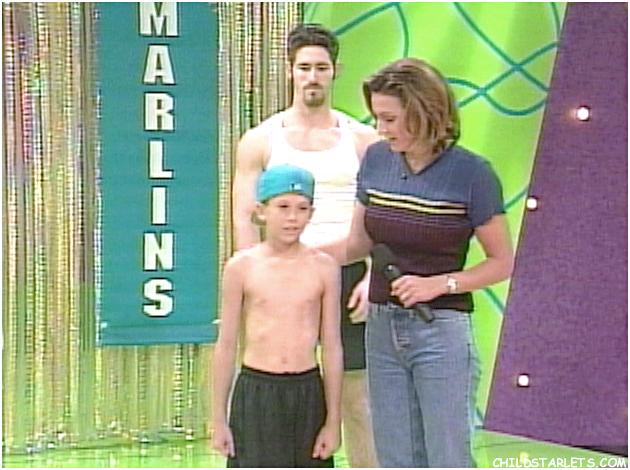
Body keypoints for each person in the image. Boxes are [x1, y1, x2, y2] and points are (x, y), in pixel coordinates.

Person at [321, 58, 515, 467]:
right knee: (394, 456)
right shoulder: (377, 160)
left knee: (446, 455)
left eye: (390, 118)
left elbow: (502, 262)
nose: (381, 128)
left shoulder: (472, 175)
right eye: (377, 117)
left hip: (439, 330)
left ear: (423, 112)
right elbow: (358, 243)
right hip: (381, 328)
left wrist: (439, 284)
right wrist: (296, 255)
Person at [231, 24, 379, 467]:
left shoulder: (362, 140)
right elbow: (244, 215)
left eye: (321, 68)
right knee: (276, 381)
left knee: (357, 399)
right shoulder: (260, 140)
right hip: (280, 277)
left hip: (347, 275)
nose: (312, 77)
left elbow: (382, 216)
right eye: (304, 68)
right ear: (290, 71)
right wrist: (253, 280)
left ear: (335, 72)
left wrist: (373, 276)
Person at [212, 164, 343, 467]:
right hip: (257, 393)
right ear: (261, 211)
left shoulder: (324, 268)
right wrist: (218, 418)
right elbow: (226, 345)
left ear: (311, 213)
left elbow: (332, 347)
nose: (292, 217)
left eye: (302, 208)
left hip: (307, 392)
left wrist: (333, 421)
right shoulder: (241, 267)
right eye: (283, 207)